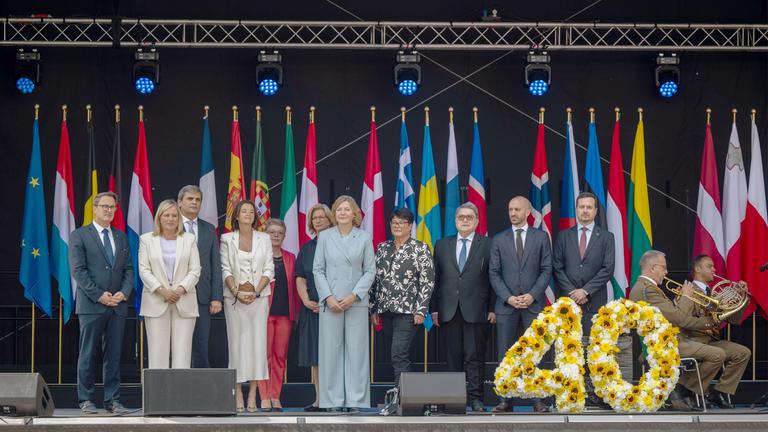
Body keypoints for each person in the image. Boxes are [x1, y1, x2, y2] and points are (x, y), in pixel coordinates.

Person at [628, 250, 733, 411]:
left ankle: (682, 392)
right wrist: (686, 296)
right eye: (664, 268)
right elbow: (677, 317)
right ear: (653, 268)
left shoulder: (648, 287)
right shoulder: (647, 289)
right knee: (717, 354)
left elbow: (673, 315)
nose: (666, 272)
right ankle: (680, 390)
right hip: (663, 345)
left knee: (722, 353)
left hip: (667, 340)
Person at [69, 192, 133, 414]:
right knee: (88, 353)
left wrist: (123, 293)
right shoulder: (79, 235)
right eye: (104, 206)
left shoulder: (121, 237)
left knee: (114, 356)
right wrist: (99, 295)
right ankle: (85, 399)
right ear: (94, 209)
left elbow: (128, 270)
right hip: (92, 305)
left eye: (112, 207)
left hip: (117, 306)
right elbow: (78, 271)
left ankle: (113, 401)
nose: (108, 210)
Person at [430, 202, 495, 413]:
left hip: (476, 310)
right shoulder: (442, 245)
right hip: (448, 310)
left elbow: (493, 278)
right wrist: (434, 309)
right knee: (452, 358)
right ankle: (454, 400)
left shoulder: (488, 244)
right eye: (461, 217)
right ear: (455, 221)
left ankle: (476, 400)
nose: (465, 220)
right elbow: (436, 280)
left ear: (477, 221)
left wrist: (492, 308)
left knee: (474, 357)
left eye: (469, 217)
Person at [490, 196, 552, 413]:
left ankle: (537, 400)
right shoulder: (499, 239)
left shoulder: (541, 237)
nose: (513, 213)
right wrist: (508, 297)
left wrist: (533, 295)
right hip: (507, 306)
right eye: (510, 209)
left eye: (517, 209)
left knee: (535, 352)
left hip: (532, 305)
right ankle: (506, 400)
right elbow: (494, 273)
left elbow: (546, 269)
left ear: (528, 212)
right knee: (506, 354)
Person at [313, 195, 375, 412]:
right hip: (330, 303)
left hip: (355, 303)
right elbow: (318, 270)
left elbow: (370, 271)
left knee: (356, 352)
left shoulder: (365, 238)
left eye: (347, 209)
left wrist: (354, 295)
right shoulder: (325, 237)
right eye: (339, 209)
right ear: (334, 213)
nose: (342, 213)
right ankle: (333, 401)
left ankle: (356, 401)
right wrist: (328, 297)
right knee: (331, 352)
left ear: (354, 213)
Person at [552, 192, 614, 406]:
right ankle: (571, 392)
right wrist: (573, 292)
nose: (585, 210)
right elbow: (557, 267)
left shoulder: (606, 237)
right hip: (570, 303)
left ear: (596, 211)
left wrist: (585, 291)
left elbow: (608, 269)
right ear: (576, 210)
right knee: (570, 347)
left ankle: (596, 393)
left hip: (595, 301)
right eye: (581, 207)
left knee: (595, 348)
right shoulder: (564, 236)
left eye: (589, 207)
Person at [370, 208, 435, 385]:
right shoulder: (382, 248)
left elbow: (427, 281)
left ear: (410, 226)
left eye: (402, 222)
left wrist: (421, 310)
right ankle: (404, 394)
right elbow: (375, 280)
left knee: (398, 353)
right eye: (394, 222)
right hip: (385, 310)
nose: (397, 226)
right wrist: (373, 308)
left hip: (408, 311)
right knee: (395, 353)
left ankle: (401, 398)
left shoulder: (420, 248)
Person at [220, 200, 274, 413]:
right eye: (244, 211)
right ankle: (238, 394)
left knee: (257, 347)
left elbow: (269, 269)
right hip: (234, 299)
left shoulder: (265, 238)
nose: (248, 214)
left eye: (252, 211)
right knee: (236, 347)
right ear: (236, 215)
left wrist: (256, 292)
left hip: (258, 300)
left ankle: (253, 393)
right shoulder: (226, 239)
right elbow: (225, 269)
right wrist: (236, 292)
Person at [138, 199, 201, 369]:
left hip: (184, 301)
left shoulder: (189, 239)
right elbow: (144, 270)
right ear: (159, 217)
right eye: (166, 215)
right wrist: (162, 291)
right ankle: (158, 395)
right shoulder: (146, 239)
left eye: (174, 215)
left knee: (183, 353)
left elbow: (195, 270)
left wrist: (180, 290)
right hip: (156, 301)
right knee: (157, 353)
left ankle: (180, 395)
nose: (170, 218)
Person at [686, 254, 750, 408]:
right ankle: (691, 391)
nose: (714, 270)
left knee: (743, 353)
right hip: (694, 340)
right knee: (717, 354)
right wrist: (710, 318)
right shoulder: (688, 290)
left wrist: (742, 297)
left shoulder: (713, 293)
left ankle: (719, 392)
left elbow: (734, 320)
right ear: (698, 269)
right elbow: (684, 320)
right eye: (710, 266)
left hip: (711, 341)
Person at [177, 185, 223, 368]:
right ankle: (177, 387)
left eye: (197, 199)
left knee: (201, 344)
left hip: (203, 297)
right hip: (176, 295)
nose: (194, 202)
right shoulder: (170, 225)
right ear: (179, 202)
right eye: (190, 199)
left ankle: (200, 391)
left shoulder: (209, 229)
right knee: (179, 343)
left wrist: (216, 297)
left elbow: (215, 265)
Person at [258, 218, 301, 412]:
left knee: (279, 356)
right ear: (265, 234)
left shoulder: (291, 257)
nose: (275, 235)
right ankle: (264, 396)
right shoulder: (258, 256)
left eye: (279, 232)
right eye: (272, 232)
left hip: (285, 313)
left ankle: (276, 396)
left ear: (284, 236)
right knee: (264, 356)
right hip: (264, 314)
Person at [295, 204, 333, 412]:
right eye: (314, 218)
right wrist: (306, 300)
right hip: (312, 308)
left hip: (334, 308)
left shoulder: (338, 245)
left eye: (322, 217)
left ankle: (334, 399)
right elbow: (300, 278)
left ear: (330, 220)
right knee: (316, 358)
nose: (318, 221)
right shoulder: (307, 249)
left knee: (334, 357)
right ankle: (319, 400)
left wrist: (328, 301)